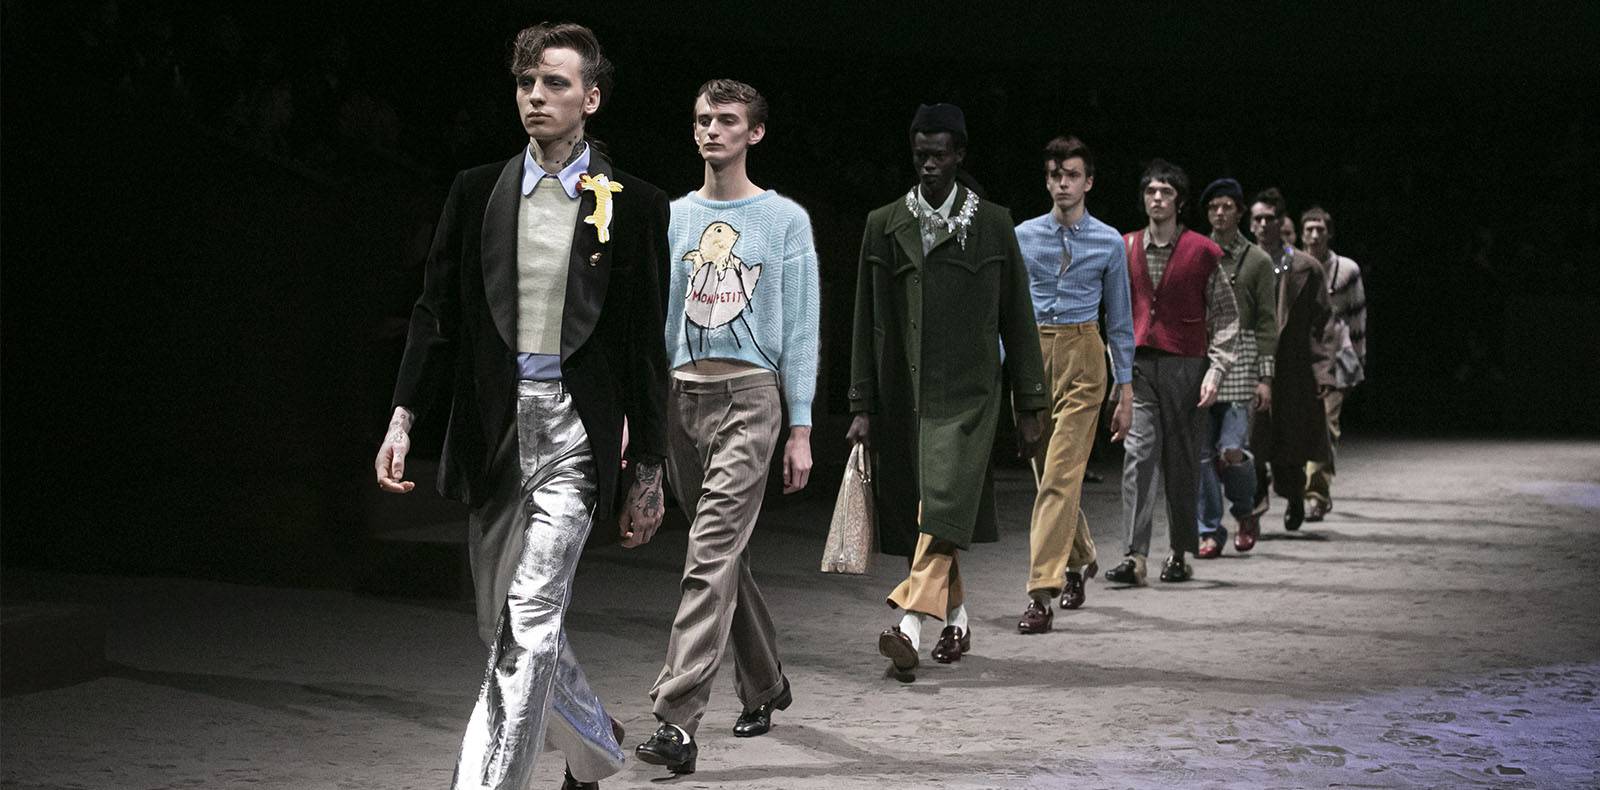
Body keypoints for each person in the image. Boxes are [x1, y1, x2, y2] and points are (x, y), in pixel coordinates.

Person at [373, 23, 669, 790]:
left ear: (591, 99)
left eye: (555, 83)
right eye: (526, 83)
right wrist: (403, 416)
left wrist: (648, 467)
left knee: (530, 621)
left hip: (574, 433)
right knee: (495, 623)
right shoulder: (477, 192)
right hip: (496, 431)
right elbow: (436, 314)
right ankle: (594, 742)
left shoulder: (636, 205)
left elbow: (645, 346)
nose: (536, 96)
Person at [635, 79, 819, 775]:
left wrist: (801, 428)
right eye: (702, 119)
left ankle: (676, 719)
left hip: (750, 398)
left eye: (727, 120)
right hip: (681, 399)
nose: (711, 129)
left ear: (755, 133)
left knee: (708, 554)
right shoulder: (673, 217)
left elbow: (801, 331)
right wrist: (644, 415)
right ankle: (766, 682)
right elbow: (656, 323)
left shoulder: (784, 220)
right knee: (724, 555)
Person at [849, 103, 1047, 675]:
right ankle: (956, 622)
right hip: (906, 397)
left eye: (939, 155)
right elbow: (865, 320)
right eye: (920, 156)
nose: (928, 165)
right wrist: (862, 403)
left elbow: (1018, 318)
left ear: (959, 155)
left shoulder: (993, 224)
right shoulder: (884, 224)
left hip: (970, 397)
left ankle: (908, 624)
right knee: (934, 511)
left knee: (940, 510)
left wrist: (1030, 401)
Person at [1012, 135, 1134, 635]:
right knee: (1048, 475)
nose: (1063, 183)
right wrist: (1002, 367)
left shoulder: (1109, 242)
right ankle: (1081, 557)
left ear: (1089, 182)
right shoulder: (1022, 236)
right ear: (1047, 181)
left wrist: (1125, 390)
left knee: (1061, 476)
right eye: (1055, 175)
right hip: (1034, 353)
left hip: (1085, 355)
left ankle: (1041, 591)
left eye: (1072, 175)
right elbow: (1008, 311)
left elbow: (1120, 322)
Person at [1103, 159, 1239, 586]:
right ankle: (1134, 555)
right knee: (1138, 457)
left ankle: (1179, 552)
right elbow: (1115, 313)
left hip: (1187, 366)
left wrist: (1216, 371)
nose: (1157, 198)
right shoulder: (1125, 247)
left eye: (1165, 192)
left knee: (1182, 462)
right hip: (1140, 365)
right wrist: (1118, 374)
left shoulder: (1201, 251)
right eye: (1150, 191)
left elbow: (1226, 315)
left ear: (1179, 200)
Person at [1195, 178, 1276, 557]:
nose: (1220, 213)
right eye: (1214, 207)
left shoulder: (1257, 260)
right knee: (1202, 454)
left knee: (1231, 450)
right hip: (1202, 356)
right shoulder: (1197, 252)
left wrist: (1265, 377)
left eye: (1227, 206)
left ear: (1240, 212)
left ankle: (1245, 510)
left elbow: (1267, 322)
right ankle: (1210, 530)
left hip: (1242, 358)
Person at [1247, 188, 1335, 531]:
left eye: (1270, 218)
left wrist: (1322, 371)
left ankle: (1295, 494)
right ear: (1250, 223)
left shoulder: (1305, 267)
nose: (1263, 224)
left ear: (1281, 221)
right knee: (1252, 440)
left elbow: (1322, 323)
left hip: (1293, 366)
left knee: (1290, 441)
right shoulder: (1242, 263)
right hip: (1252, 365)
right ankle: (1255, 501)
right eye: (1257, 218)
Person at [1300, 205, 1366, 521]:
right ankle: (1296, 489)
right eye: (1309, 229)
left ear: (1330, 233)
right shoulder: (1290, 266)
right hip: (1299, 354)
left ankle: (1316, 495)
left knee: (1326, 425)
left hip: (1336, 354)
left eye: (1320, 230)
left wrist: (1358, 360)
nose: (1315, 235)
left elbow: (1357, 315)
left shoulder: (1347, 270)